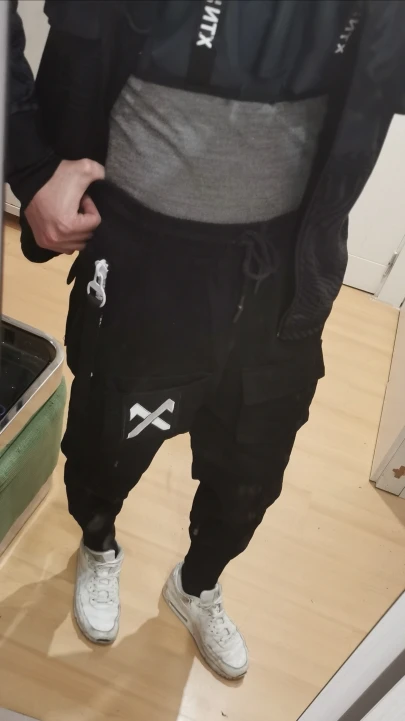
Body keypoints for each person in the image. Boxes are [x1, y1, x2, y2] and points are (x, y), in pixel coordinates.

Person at [6, 0, 405, 680]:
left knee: (253, 464)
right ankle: (98, 544)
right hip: (141, 251)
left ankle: (197, 584)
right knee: (107, 442)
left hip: (284, 265)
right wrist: (28, 161)